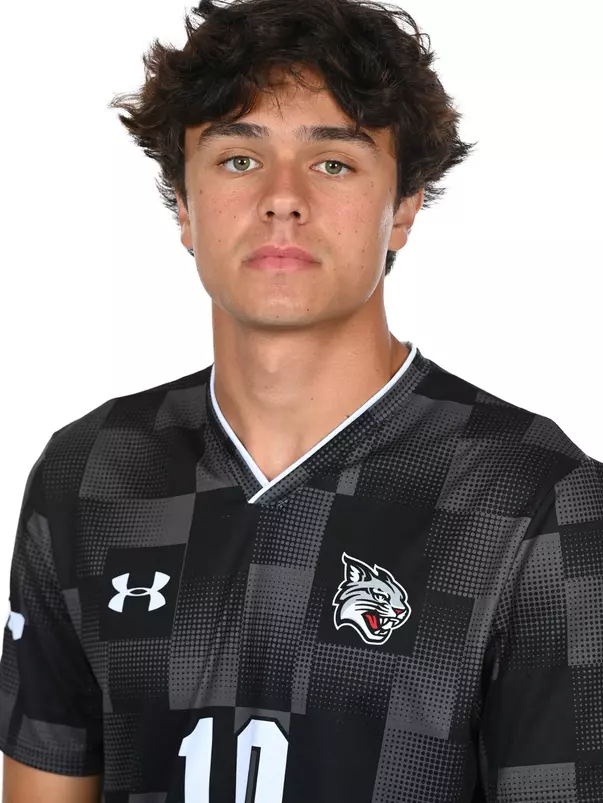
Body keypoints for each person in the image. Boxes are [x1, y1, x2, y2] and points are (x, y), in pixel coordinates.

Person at [1, 0, 602, 800]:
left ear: (406, 206)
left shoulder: (533, 498)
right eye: (238, 160)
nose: (282, 199)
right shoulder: (91, 471)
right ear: (183, 205)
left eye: (333, 163)